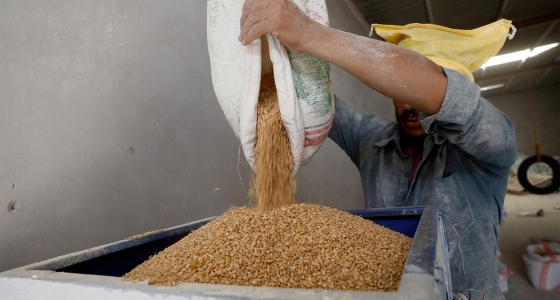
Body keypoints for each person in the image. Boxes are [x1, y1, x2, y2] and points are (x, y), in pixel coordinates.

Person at [239, 1, 518, 299]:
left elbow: (452, 100)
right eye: (402, 93)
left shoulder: (492, 144)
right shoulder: (371, 139)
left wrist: (310, 34)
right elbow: (314, 102)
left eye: (417, 92)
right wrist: (275, 56)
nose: (411, 105)